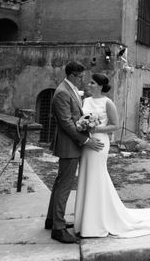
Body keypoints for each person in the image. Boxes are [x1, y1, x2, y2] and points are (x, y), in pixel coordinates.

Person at [74, 73, 150, 238]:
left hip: (99, 143)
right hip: (86, 142)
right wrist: (83, 126)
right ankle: (85, 220)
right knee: (86, 176)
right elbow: (81, 119)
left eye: (92, 83)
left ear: (101, 86)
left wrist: (94, 128)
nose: (89, 85)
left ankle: (96, 222)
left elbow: (115, 126)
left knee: (97, 176)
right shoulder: (85, 101)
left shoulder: (107, 102)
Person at [46, 61, 104, 244]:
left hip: (70, 144)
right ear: (72, 75)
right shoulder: (63, 92)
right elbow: (66, 123)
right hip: (69, 145)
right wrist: (86, 140)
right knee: (64, 186)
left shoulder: (69, 89)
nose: (82, 80)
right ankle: (58, 228)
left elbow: (75, 116)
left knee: (59, 183)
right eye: (80, 77)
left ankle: (51, 220)